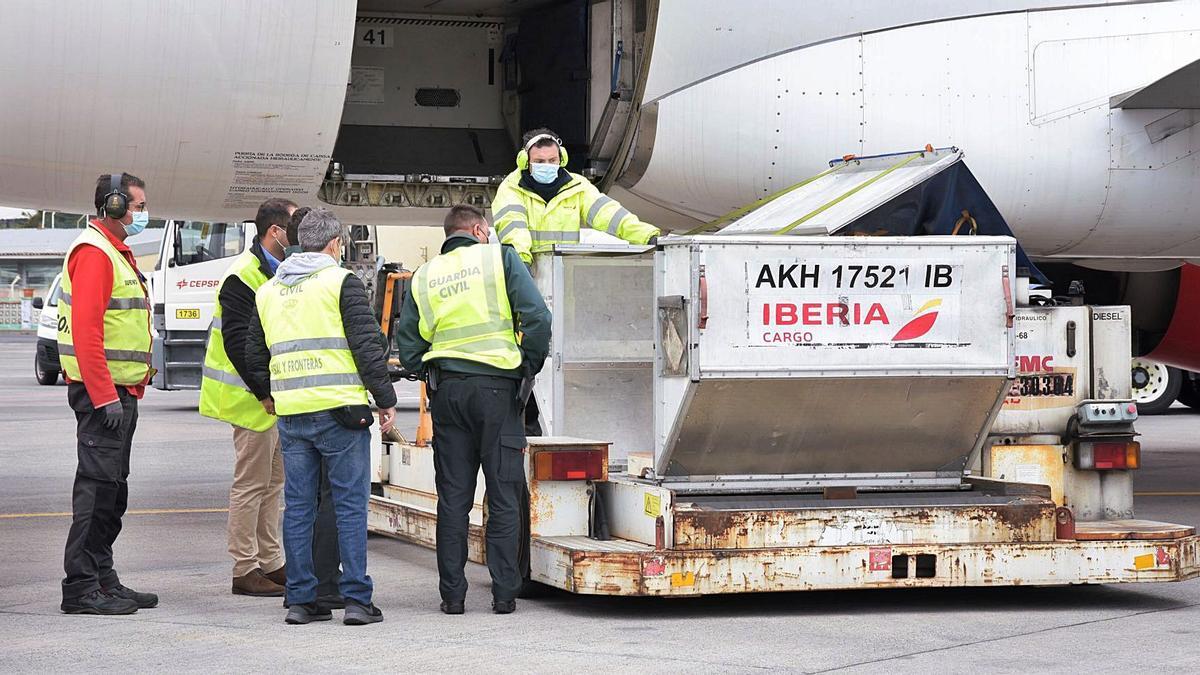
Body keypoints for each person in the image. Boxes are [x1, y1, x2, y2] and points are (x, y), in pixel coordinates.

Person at [394, 205, 551, 615]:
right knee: (501, 495)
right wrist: (526, 366)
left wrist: (426, 366)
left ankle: (453, 597)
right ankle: (503, 594)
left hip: (448, 393)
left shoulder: (425, 274)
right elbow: (537, 317)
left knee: (453, 498)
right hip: (498, 392)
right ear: (480, 230)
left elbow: (408, 342)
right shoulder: (499, 257)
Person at [245, 208, 397, 626]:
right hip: (341, 413)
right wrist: (385, 399)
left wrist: (268, 395)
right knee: (349, 507)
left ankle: (301, 599)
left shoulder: (270, 290)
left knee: (297, 508)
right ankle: (356, 601)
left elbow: (252, 351)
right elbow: (368, 347)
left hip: (292, 415)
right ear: (334, 244)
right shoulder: (340, 282)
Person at [58, 173, 157, 615]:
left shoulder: (116, 252)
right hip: (105, 396)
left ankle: (102, 576)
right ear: (113, 206)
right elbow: (87, 332)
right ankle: (81, 587)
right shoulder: (96, 254)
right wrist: (103, 396)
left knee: (113, 492)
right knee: (97, 492)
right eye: (136, 205)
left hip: (120, 391)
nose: (141, 213)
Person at [199, 198, 295, 597]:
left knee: (273, 485)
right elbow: (239, 344)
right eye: (293, 225)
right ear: (275, 232)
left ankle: (271, 562)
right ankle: (244, 568)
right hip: (251, 399)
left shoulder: (277, 272)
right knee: (251, 485)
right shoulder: (243, 275)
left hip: (272, 399)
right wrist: (264, 393)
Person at [491, 127, 660, 266]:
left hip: (563, 279)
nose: (547, 166)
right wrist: (521, 265)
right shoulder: (511, 188)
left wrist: (647, 236)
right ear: (525, 162)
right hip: (527, 275)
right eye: (540, 161)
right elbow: (513, 228)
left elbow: (610, 215)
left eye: (552, 160)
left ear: (562, 159)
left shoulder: (577, 186)